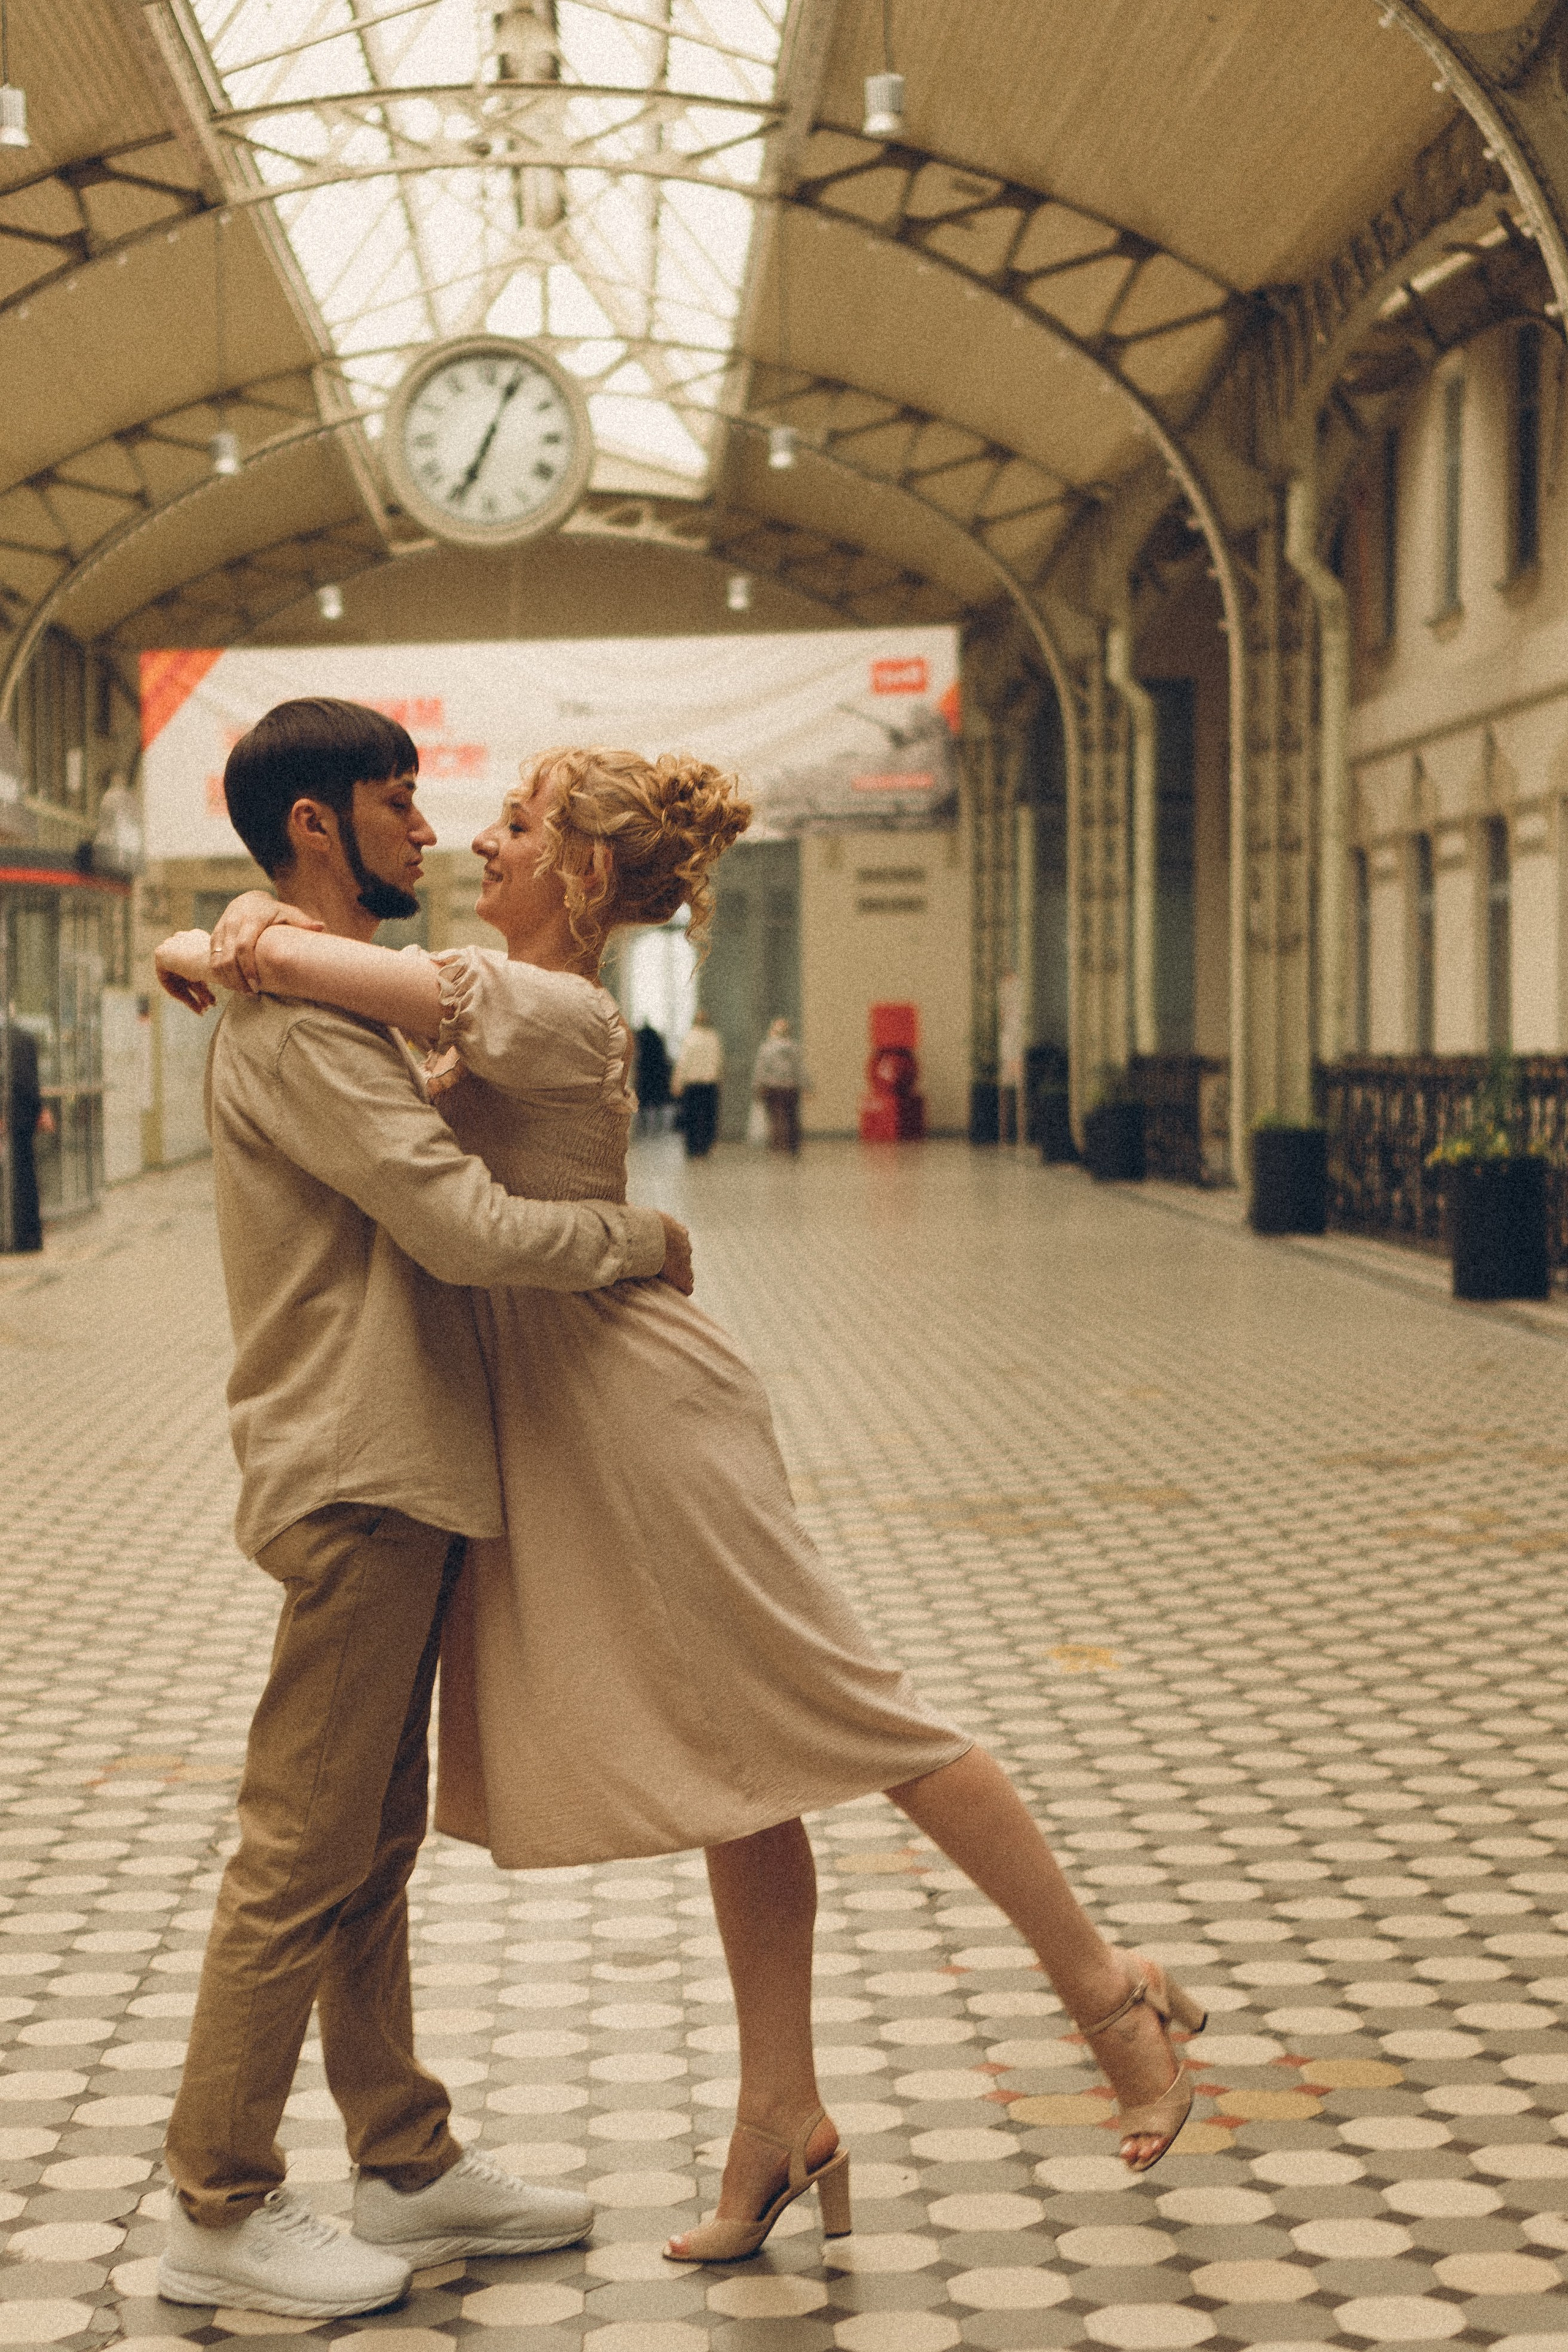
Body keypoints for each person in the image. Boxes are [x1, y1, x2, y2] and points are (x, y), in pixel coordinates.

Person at [157, 741, 1209, 2276]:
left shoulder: (540, 1004)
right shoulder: (489, 993)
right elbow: (290, 969)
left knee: (856, 1715)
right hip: (582, 1420)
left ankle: (1109, 1994)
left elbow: (324, 983)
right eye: (462, 814)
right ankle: (777, 2113)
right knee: (740, 1763)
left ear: (580, 871)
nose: (474, 839)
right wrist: (223, 934)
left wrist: (237, 935)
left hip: (643, 1416)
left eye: (515, 824)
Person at [149, 701, 692, 2324]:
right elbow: (461, 1227)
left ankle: (402, 2156)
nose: (430, 827)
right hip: (358, 1466)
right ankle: (218, 2201)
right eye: (398, 801)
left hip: (399, 1461)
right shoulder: (309, 1029)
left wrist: (226, 935)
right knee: (300, 1850)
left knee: (367, 1845)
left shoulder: (327, 996)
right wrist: (639, 1242)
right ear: (317, 825)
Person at [1, 1017, 53, 1253]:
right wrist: (39, 1110)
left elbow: (20, 1081)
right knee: (24, 1178)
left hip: (11, 1120)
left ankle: (15, 1237)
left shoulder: (11, 1041)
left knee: (14, 1179)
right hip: (22, 1120)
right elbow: (28, 1082)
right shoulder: (23, 1038)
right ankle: (27, 1238)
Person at [750, 1015, 810, 1154]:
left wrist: (758, 1086)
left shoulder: (766, 1048)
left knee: (776, 1117)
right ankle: (792, 1145)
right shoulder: (794, 1048)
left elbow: (761, 1069)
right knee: (792, 1116)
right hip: (791, 1087)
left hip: (773, 1087)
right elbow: (800, 1069)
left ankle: (779, 1144)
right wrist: (807, 1086)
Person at [670, 1005, 722, 1156]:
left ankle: (693, 1147)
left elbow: (683, 1063)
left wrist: (677, 1083)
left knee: (691, 1116)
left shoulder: (690, 1038)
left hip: (692, 1083)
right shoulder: (714, 1038)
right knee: (708, 1116)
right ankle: (705, 1146)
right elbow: (719, 1062)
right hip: (709, 1083)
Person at [633, 1019, 672, 1133]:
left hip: (645, 1072)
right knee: (657, 1101)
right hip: (656, 1074)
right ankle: (657, 1126)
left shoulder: (641, 1038)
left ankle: (644, 1127)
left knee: (644, 1102)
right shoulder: (657, 1039)